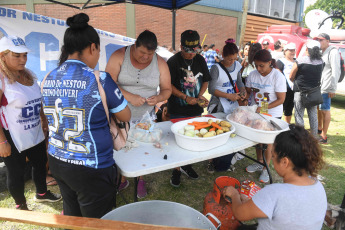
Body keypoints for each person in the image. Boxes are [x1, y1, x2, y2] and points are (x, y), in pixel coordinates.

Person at [42, 13, 131, 218]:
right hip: (92, 165)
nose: (98, 56)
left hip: (57, 159)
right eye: (98, 51)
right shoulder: (100, 78)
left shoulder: (48, 77)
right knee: (98, 221)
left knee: (72, 217)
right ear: (93, 47)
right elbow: (125, 116)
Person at [105, 30, 172, 198]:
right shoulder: (119, 56)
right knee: (120, 149)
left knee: (142, 148)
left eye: (149, 54)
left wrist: (159, 97)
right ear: (134, 46)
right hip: (119, 115)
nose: (145, 57)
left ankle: (140, 178)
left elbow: (167, 89)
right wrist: (129, 97)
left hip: (145, 117)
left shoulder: (160, 63)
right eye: (142, 52)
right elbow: (107, 83)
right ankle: (121, 178)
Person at [223, 124, 327, 229]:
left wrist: (234, 194)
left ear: (284, 162)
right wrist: (250, 203)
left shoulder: (274, 193)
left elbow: (240, 213)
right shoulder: (318, 186)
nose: (272, 159)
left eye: (273, 156)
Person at [0, 35, 61, 210]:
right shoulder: (2, 79)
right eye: (17, 55)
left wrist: (43, 118)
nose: (23, 59)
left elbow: (36, 99)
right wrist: (2, 141)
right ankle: (21, 206)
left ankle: (42, 194)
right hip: (12, 136)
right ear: (2, 55)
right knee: (16, 172)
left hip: (34, 130)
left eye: (24, 55)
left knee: (40, 163)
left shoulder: (27, 74)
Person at [167, 29, 210, 187]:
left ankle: (186, 165)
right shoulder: (172, 62)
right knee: (177, 141)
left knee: (192, 138)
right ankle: (176, 169)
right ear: (181, 47)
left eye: (194, 51)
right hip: (177, 108)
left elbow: (205, 80)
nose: (191, 54)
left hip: (195, 110)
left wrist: (199, 96)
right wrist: (185, 97)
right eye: (188, 51)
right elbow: (168, 85)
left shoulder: (200, 60)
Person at [245, 49, 286, 183]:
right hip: (256, 112)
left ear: (270, 63)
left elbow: (281, 99)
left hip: (272, 114)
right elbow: (247, 92)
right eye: (256, 65)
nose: (258, 68)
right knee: (258, 140)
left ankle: (266, 168)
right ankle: (259, 162)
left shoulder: (277, 76)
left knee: (268, 143)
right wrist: (243, 98)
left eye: (261, 66)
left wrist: (263, 108)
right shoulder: (252, 75)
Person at [207, 39, 247, 173]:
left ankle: (225, 159)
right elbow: (211, 89)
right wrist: (229, 95)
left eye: (235, 58)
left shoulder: (237, 66)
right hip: (218, 104)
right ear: (223, 56)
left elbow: (239, 82)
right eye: (230, 59)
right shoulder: (216, 68)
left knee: (230, 131)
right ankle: (212, 160)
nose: (232, 62)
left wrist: (243, 91)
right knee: (216, 132)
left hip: (232, 104)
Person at [289, 40, 324, 137]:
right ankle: (314, 137)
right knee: (313, 115)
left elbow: (291, 76)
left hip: (300, 92)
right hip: (313, 93)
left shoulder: (300, 61)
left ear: (307, 49)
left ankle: (300, 138)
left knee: (299, 115)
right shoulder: (321, 62)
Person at [314, 33, 341, 144]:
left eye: (321, 40)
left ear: (328, 41)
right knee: (319, 108)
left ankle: (324, 136)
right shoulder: (322, 52)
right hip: (320, 86)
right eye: (318, 40)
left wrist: (332, 88)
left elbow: (336, 70)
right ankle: (319, 129)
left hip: (327, 86)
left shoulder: (333, 52)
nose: (319, 42)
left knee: (325, 110)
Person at [276, 43, 296, 124]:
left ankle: (287, 125)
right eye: (290, 50)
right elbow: (278, 74)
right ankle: (277, 124)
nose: (292, 52)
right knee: (281, 108)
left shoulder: (296, 61)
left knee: (289, 109)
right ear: (285, 51)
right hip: (283, 90)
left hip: (294, 89)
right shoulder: (280, 61)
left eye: (294, 50)